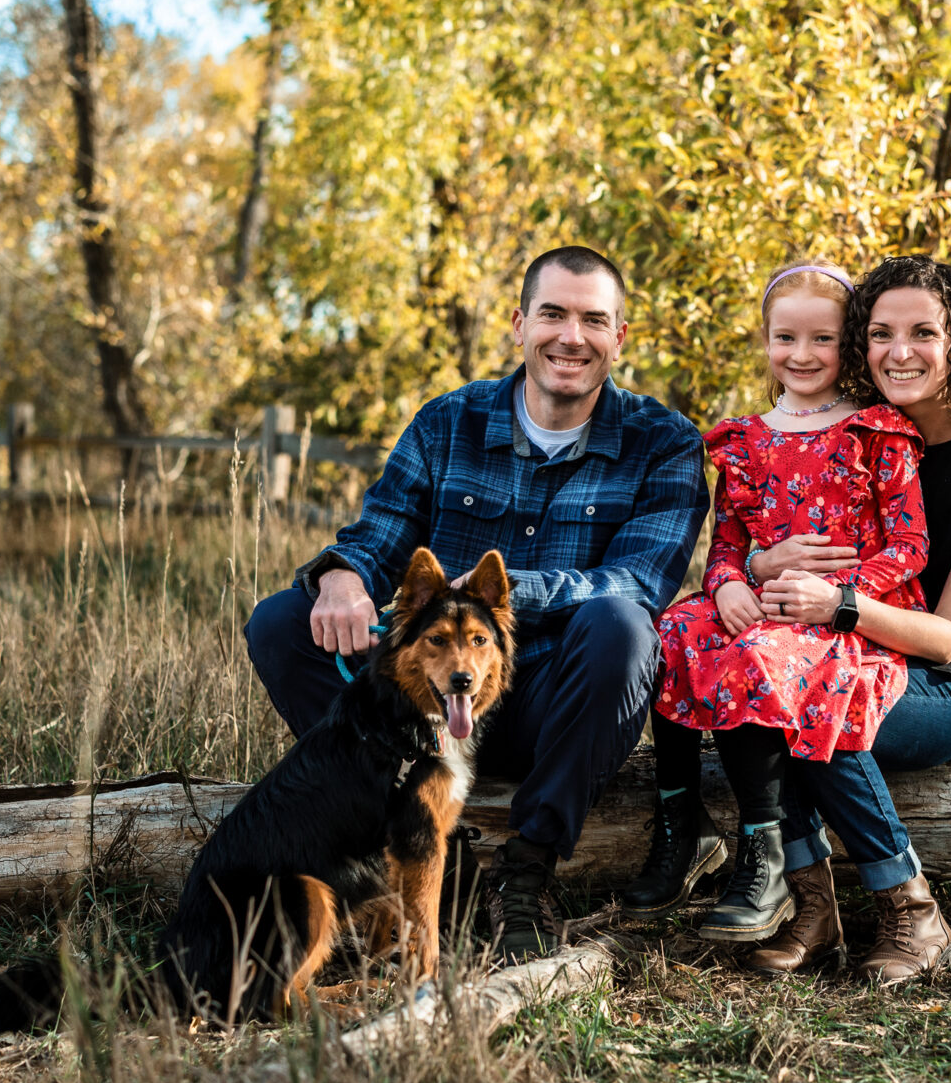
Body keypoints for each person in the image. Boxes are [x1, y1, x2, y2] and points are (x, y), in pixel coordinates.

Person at [241, 247, 709, 959]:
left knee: (625, 626)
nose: (570, 337)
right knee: (280, 621)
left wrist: (508, 590)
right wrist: (342, 572)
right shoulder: (448, 422)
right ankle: (424, 837)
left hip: (553, 701)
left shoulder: (664, 443)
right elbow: (382, 532)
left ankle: (526, 870)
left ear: (621, 335)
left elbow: (639, 581)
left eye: (593, 320)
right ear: (519, 322)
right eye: (552, 314)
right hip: (428, 714)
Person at [742, 255, 951, 984]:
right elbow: (770, 546)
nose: (900, 351)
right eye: (880, 333)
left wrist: (842, 606)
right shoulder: (842, 438)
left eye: (923, 332)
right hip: (832, 661)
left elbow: (950, 636)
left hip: (949, 685)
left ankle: (915, 915)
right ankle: (815, 915)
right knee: (766, 684)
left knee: (817, 703)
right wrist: (758, 567)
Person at [623, 259, 929, 949]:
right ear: (765, 339)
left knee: (755, 653)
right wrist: (730, 579)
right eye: (784, 338)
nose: (801, 354)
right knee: (671, 628)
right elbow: (727, 542)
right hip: (763, 602)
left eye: (821, 340)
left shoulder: (877, 432)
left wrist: (839, 596)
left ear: (848, 344)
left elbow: (910, 545)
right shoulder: (745, 440)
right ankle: (682, 822)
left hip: (843, 621)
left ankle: (766, 856)